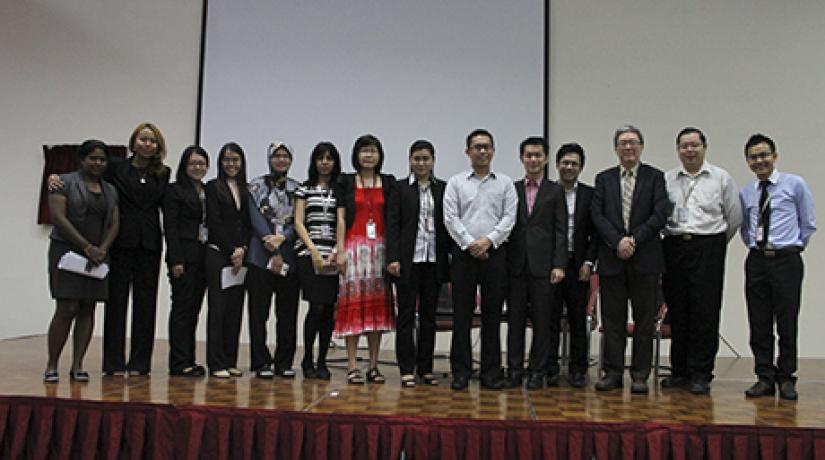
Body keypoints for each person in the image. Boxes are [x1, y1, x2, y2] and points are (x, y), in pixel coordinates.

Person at [48, 123, 169, 376]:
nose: (147, 144)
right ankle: (113, 363)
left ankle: (139, 364)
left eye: (152, 140)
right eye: (143, 139)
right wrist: (54, 177)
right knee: (116, 303)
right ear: (133, 142)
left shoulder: (163, 172)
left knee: (146, 305)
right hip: (120, 242)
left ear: (158, 146)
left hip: (149, 243)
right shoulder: (115, 167)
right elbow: (86, 175)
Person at [661, 127, 741, 394]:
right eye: (684, 146)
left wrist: (713, 244)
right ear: (678, 150)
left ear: (704, 147)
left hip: (708, 246)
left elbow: (734, 217)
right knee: (678, 309)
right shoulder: (668, 179)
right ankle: (679, 371)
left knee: (704, 312)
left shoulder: (721, 178)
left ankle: (701, 373)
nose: (689, 150)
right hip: (674, 246)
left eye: (694, 145)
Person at [591, 125, 669, 394]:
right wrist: (618, 241)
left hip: (645, 258)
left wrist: (634, 239)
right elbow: (597, 216)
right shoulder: (604, 179)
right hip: (612, 259)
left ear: (641, 147)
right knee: (613, 319)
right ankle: (612, 372)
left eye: (633, 142)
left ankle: (639, 375)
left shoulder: (655, 177)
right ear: (615, 148)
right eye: (623, 143)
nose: (628, 147)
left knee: (644, 319)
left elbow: (660, 214)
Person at [739, 133, 815, 400]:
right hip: (757, 260)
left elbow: (808, 223)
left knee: (786, 320)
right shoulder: (747, 191)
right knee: (759, 321)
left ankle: (786, 377)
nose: (759, 161)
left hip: (786, 260)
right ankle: (764, 376)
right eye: (753, 157)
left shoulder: (795, 185)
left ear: (774, 156)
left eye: (764, 155)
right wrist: (758, 247)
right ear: (748, 161)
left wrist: (792, 246)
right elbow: (746, 228)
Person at [443, 129, 518, 391]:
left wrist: (488, 241)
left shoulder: (505, 183)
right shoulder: (456, 183)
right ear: (468, 152)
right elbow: (450, 218)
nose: (482, 151)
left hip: (496, 255)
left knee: (492, 317)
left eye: (487, 147)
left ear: (494, 151)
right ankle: (461, 372)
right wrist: (470, 244)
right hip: (463, 256)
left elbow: (509, 218)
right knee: (461, 317)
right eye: (477, 147)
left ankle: (491, 373)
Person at [45, 140, 120, 383]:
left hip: (98, 255)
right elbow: (58, 217)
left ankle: (78, 364)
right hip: (68, 252)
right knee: (66, 307)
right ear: (82, 159)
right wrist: (85, 247)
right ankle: (52, 363)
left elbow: (114, 223)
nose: (98, 163)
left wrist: (102, 249)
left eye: (102, 160)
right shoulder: (63, 182)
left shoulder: (109, 189)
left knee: (88, 307)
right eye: (93, 158)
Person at [386, 140, 450, 387]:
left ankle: (426, 368)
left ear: (433, 161)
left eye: (426, 159)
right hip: (407, 262)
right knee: (405, 317)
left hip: (434, 261)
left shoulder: (443, 189)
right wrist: (392, 258)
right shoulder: (400, 189)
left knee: (429, 317)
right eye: (417, 159)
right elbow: (392, 225)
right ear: (410, 161)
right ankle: (406, 368)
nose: (421, 163)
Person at [505, 137, 567, 390]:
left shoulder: (555, 190)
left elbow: (561, 231)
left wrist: (559, 264)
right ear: (521, 159)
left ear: (545, 158)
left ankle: (537, 371)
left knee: (542, 322)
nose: (533, 160)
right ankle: (514, 370)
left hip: (544, 267)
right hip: (516, 265)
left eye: (537, 155)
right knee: (515, 321)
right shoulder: (512, 188)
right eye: (528, 155)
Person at [335, 134, 397, 385]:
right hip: (354, 250)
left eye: (373, 151)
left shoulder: (389, 182)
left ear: (380, 155)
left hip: (380, 252)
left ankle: (373, 365)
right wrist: (340, 250)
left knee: (376, 311)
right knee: (353, 309)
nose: (368, 155)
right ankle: (352, 366)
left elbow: (393, 220)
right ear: (356, 155)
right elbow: (340, 218)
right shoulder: (346, 181)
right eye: (364, 151)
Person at [247, 142, 301, 378]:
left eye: (285, 156)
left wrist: (283, 239)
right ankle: (260, 362)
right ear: (269, 158)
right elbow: (255, 218)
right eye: (276, 156)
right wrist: (270, 244)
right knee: (259, 313)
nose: (281, 160)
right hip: (261, 256)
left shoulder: (298, 188)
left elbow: (299, 222)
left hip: (290, 257)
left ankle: (284, 362)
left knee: (287, 313)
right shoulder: (255, 186)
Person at [294, 142, 342, 381]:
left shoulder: (340, 190)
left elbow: (343, 223)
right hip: (308, 254)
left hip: (334, 254)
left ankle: (323, 360)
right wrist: (313, 250)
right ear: (313, 162)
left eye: (329, 158)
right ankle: (307, 359)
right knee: (316, 307)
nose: (325, 163)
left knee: (328, 310)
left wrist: (335, 250)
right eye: (320, 158)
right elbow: (299, 222)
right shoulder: (304, 189)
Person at [163, 146, 210, 377]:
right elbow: (170, 227)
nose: (197, 167)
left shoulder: (206, 190)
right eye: (193, 163)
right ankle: (179, 362)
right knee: (182, 308)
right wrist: (176, 259)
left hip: (203, 258)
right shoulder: (174, 190)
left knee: (194, 310)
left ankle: (189, 359)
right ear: (184, 165)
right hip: (182, 258)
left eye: (202, 163)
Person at [553, 142, 598, 388]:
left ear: (581, 168)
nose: (569, 167)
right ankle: (549, 367)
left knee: (577, 319)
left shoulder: (591, 195)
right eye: (565, 163)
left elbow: (595, 234)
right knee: (549, 318)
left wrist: (589, 262)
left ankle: (578, 370)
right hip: (552, 266)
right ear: (557, 165)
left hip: (579, 266)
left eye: (574, 164)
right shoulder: (548, 192)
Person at [204, 142, 251, 378]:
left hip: (240, 257)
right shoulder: (213, 187)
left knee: (235, 308)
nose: (231, 164)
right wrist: (231, 249)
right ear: (220, 163)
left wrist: (242, 248)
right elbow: (215, 222)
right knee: (218, 309)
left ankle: (230, 359)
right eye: (227, 160)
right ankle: (216, 363)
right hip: (218, 254)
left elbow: (247, 223)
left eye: (235, 160)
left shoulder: (246, 188)